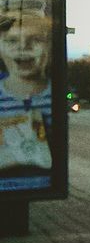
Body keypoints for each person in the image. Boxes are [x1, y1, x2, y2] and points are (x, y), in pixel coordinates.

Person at [0, 11, 53, 188]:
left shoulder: (54, 96)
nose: (23, 47)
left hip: (43, 180)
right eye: (12, 41)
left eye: (36, 39)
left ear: (49, 47)